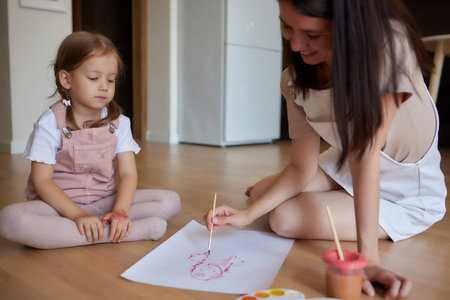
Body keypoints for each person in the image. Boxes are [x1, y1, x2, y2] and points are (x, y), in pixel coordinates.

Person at [205, 0, 446, 298]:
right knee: (259, 194)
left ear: (346, 25)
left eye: (312, 35)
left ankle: (345, 203)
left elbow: (365, 155)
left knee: (283, 218)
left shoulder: (390, 45)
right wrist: (248, 214)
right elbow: (301, 167)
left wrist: (368, 260)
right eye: (286, 26)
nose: (295, 45)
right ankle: (333, 199)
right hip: (346, 163)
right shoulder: (294, 80)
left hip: (403, 190)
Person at [0, 31, 180, 249]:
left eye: (110, 79)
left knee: (170, 202)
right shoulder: (50, 123)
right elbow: (42, 181)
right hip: (60, 208)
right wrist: (77, 215)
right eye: (94, 78)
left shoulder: (120, 123)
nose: (104, 86)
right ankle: (124, 232)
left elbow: (127, 173)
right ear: (66, 79)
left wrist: (120, 211)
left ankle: (104, 226)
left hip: (106, 202)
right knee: (11, 220)